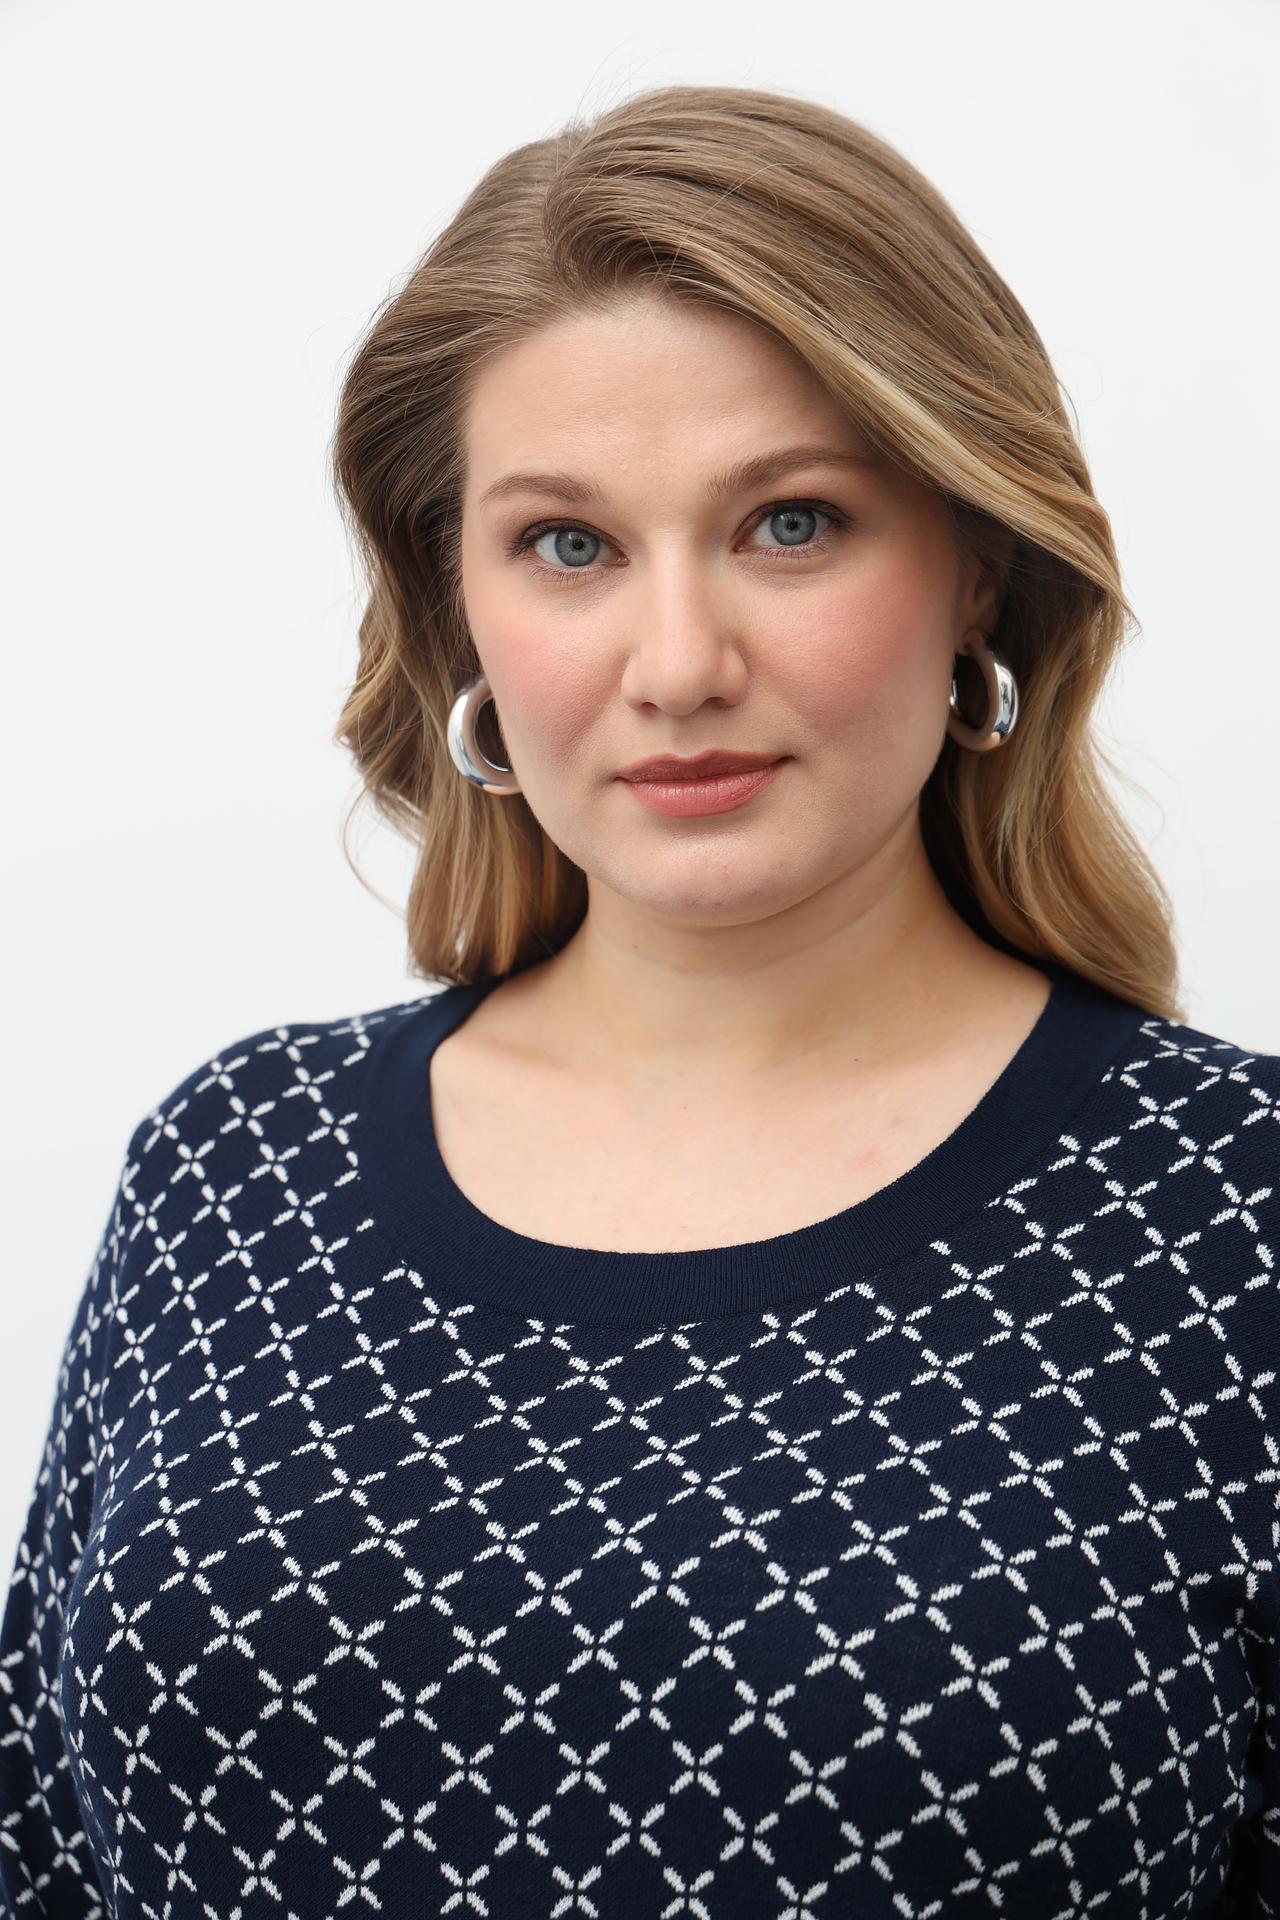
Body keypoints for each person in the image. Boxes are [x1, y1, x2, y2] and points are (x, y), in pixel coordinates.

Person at [2, 82, 1276, 1919]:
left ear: (978, 567)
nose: (678, 665)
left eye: (792, 523)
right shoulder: (234, 1167)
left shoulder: (1235, 1208)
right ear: (457, 609)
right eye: (570, 546)